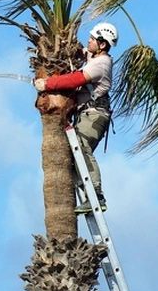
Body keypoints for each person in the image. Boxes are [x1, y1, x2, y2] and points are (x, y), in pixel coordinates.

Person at [34, 22, 118, 213]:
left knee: (81, 147)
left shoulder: (101, 64)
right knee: (73, 156)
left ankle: (96, 196)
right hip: (86, 114)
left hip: (94, 115)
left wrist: (47, 84)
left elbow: (76, 79)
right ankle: (89, 193)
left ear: (103, 44)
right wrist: (64, 44)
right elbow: (80, 52)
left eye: (92, 39)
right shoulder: (94, 56)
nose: (88, 41)